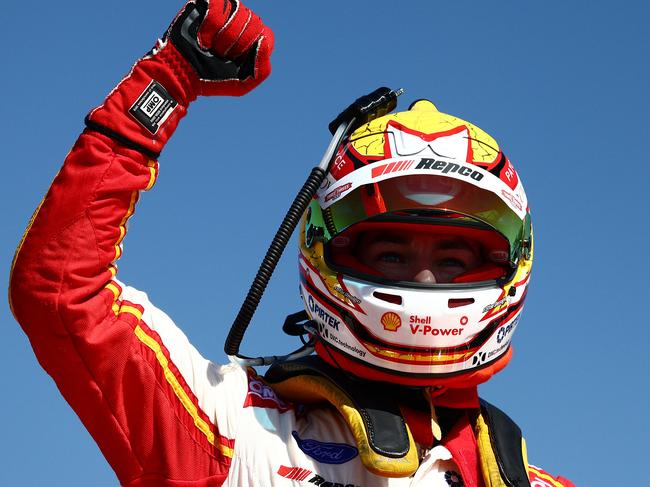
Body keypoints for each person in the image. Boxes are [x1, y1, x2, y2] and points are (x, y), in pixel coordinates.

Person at [9, 1, 574, 486]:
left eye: (452, 259)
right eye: (392, 255)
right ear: (325, 253)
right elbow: (62, 292)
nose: (423, 280)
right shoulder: (228, 424)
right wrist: (169, 80)